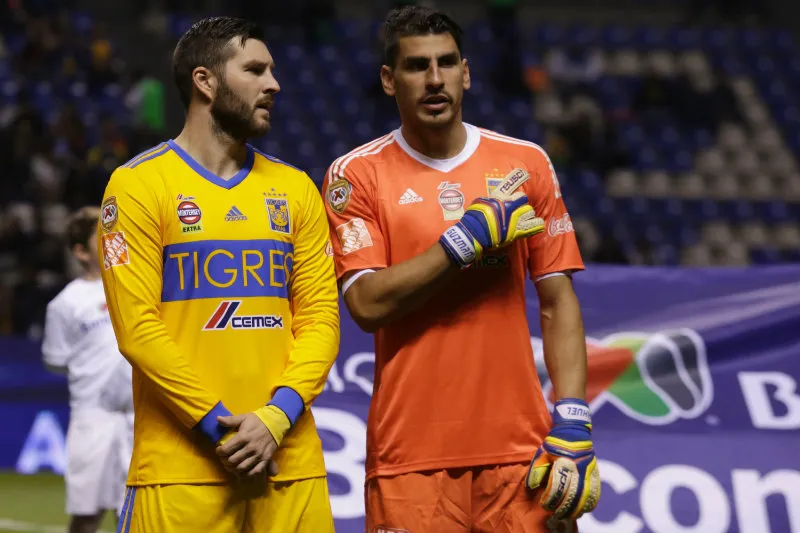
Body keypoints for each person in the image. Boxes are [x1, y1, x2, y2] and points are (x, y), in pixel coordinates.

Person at [322, 6, 600, 533]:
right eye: (416, 65)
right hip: (410, 461)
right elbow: (366, 304)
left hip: (522, 456)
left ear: (466, 73)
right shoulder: (356, 175)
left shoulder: (526, 165)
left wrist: (573, 416)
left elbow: (559, 302)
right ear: (389, 80)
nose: (434, 79)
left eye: (447, 63)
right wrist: (463, 241)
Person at [97, 16, 339, 533]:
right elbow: (137, 331)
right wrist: (220, 426)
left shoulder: (298, 190)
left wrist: (275, 419)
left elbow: (321, 320)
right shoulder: (138, 186)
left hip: (289, 469)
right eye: (255, 69)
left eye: (272, 70)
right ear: (205, 81)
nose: (273, 84)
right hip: (180, 472)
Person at [42, 206, 134, 533]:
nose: (113, 237)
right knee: (87, 514)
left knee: (136, 514)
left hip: (140, 417)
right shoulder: (66, 303)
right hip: (93, 416)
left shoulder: (138, 286)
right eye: (102, 234)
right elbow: (55, 358)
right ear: (81, 251)